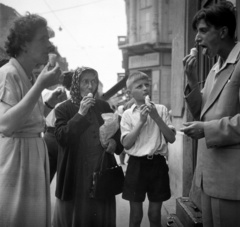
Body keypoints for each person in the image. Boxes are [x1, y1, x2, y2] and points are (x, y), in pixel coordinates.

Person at [0, 13, 62, 227]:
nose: (49, 45)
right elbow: (6, 125)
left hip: (31, 153)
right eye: (43, 39)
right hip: (16, 157)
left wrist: (48, 104)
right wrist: (39, 88)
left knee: (30, 217)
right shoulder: (8, 74)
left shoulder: (28, 76)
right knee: (17, 216)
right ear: (25, 44)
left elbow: (28, 122)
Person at [181, 2, 240, 226]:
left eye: (203, 30)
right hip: (208, 178)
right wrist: (191, 79)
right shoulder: (216, 66)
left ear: (223, 31)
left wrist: (206, 129)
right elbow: (200, 111)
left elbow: (205, 123)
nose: (197, 38)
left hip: (232, 181)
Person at [53, 67, 123, 227]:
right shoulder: (64, 108)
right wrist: (81, 113)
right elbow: (62, 138)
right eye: (85, 82)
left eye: (93, 82)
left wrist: (113, 142)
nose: (90, 86)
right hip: (76, 171)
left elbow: (117, 134)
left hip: (101, 168)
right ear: (76, 84)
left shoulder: (103, 106)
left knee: (101, 214)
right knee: (80, 216)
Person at [120, 71, 176, 227]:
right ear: (129, 92)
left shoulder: (161, 109)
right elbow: (127, 144)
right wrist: (142, 121)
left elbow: (171, 138)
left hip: (157, 164)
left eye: (147, 85)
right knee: (136, 215)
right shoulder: (127, 114)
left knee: (154, 214)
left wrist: (156, 117)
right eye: (139, 86)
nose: (145, 88)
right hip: (136, 165)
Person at [43, 71, 72, 182]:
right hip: (64, 137)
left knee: (45, 176)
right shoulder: (71, 96)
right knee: (64, 181)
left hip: (48, 136)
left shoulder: (44, 93)